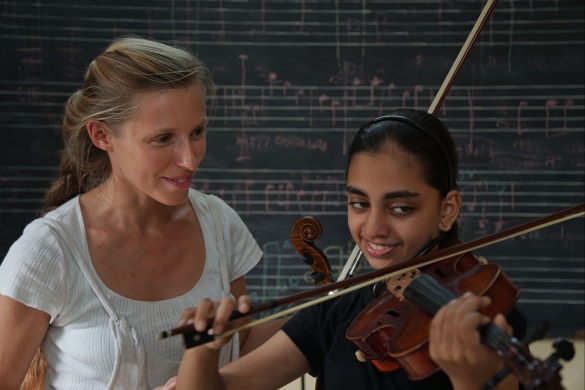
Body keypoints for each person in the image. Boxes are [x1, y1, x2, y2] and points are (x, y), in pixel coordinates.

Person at [0, 37, 285, 390]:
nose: (190, 159)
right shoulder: (48, 250)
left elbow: (240, 347)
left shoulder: (218, 222)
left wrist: (327, 316)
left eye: (197, 132)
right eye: (163, 138)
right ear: (102, 135)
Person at [174, 109, 527, 390]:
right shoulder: (340, 309)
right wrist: (203, 352)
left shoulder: (490, 317)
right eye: (359, 204)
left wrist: (474, 379)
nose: (373, 228)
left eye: (401, 208)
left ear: (447, 210)